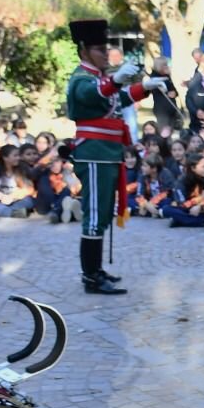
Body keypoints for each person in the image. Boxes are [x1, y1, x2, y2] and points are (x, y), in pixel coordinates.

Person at [64, 18, 167, 295]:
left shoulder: (99, 79)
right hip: (95, 153)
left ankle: (96, 270)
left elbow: (116, 100)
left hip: (108, 154)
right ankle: (91, 277)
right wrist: (116, 80)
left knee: (103, 212)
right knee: (95, 214)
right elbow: (92, 94)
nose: (105, 54)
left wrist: (145, 86)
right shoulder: (81, 78)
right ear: (84, 50)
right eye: (99, 49)